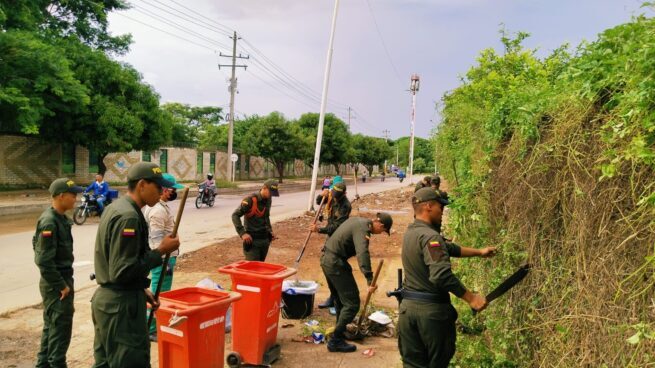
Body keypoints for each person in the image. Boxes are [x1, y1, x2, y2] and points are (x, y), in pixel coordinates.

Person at [91, 162, 180, 367]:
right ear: (141, 185)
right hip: (121, 306)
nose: (162, 192)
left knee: (105, 362)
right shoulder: (128, 216)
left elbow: (119, 260)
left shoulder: (117, 207)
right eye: (158, 187)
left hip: (112, 300)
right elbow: (123, 270)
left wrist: (142, 289)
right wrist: (160, 251)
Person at [398, 188, 497, 367]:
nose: (442, 211)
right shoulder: (430, 237)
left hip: (407, 312)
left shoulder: (412, 232)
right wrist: (471, 298)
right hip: (431, 316)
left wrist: (479, 252)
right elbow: (441, 275)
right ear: (428, 206)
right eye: (440, 207)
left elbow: (449, 248)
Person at [320, 213, 393, 353]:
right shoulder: (363, 229)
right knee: (352, 303)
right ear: (380, 225)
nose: (380, 233)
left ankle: (339, 333)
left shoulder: (358, 221)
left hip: (327, 259)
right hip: (335, 263)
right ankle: (335, 340)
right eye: (383, 231)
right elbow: (362, 253)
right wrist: (369, 279)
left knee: (341, 301)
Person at [33, 178, 84, 368]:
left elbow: (36, 247)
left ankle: (43, 365)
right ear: (61, 196)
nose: (75, 200)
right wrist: (61, 285)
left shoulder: (59, 218)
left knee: (51, 328)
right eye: (73, 195)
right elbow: (43, 259)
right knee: (60, 331)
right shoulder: (49, 221)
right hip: (57, 284)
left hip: (58, 281)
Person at [144, 173, 184, 342]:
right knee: (158, 294)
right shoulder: (158, 211)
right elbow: (156, 239)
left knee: (160, 293)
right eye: (173, 190)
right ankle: (151, 328)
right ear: (165, 190)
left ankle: (154, 324)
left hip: (165, 257)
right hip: (162, 259)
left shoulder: (160, 206)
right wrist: (162, 260)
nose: (174, 193)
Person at [310, 182, 352, 311]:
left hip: (339, 238)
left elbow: (336, 226)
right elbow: (318, 202)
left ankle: (338, 299)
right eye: (334, 194)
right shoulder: (331, 196)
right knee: (327, 266)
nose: (334, 197)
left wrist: (319, 229)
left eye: (337, 196)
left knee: (334, 267)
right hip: (330, 236)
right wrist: (320, 195)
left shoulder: (345, 205)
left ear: (344, 194)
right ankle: (333, 297)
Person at [231, 179, 279, 261]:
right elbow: (235, 215)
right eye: (270, 192)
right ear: (264, 188)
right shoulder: (250, 200)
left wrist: (270, 231)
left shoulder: (268, 200)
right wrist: (242, 233)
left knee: (260, 266)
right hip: (252, 241)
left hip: (264, 239)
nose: (271, 195)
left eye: (273, 194)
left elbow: (266, 217)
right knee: (252, 268)